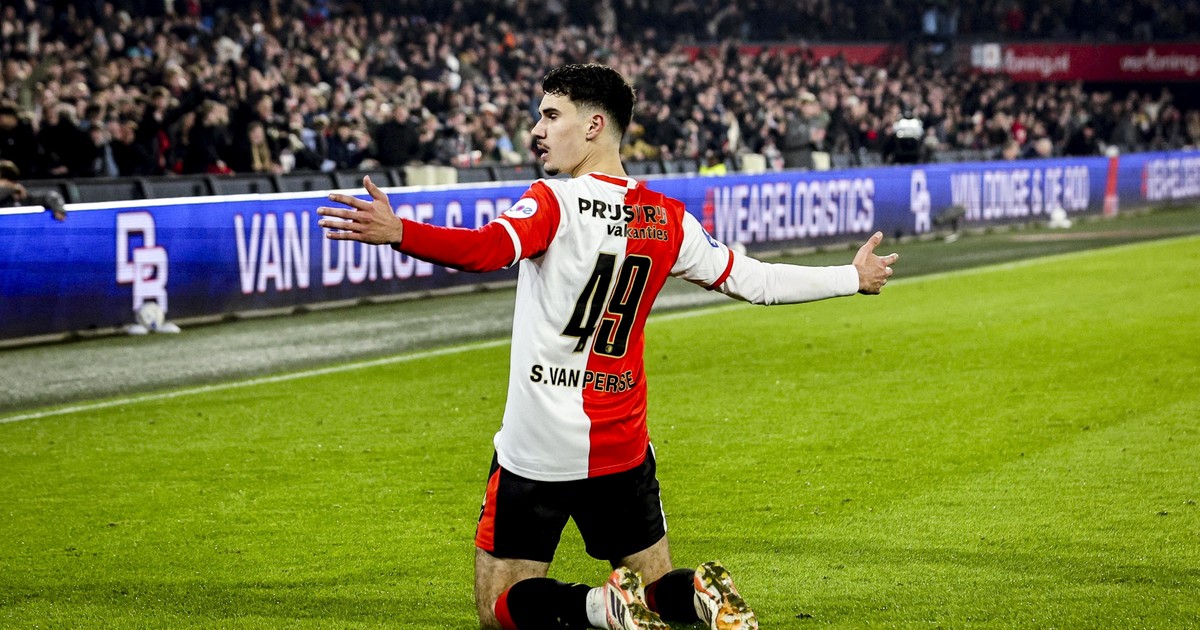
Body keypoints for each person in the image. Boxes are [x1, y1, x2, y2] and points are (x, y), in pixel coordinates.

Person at [317, 64, 897, 630]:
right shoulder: (667, 219)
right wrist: (851, 277)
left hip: (539, 448)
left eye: (551, 116)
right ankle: (697, 591)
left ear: (594, 125)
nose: (537, 130)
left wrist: (402, 232)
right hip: (622, 443)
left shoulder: (554, 202)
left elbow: (487, 249)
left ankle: (597, 608)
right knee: (652, 591)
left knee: (499, 607)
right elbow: (755, 281)